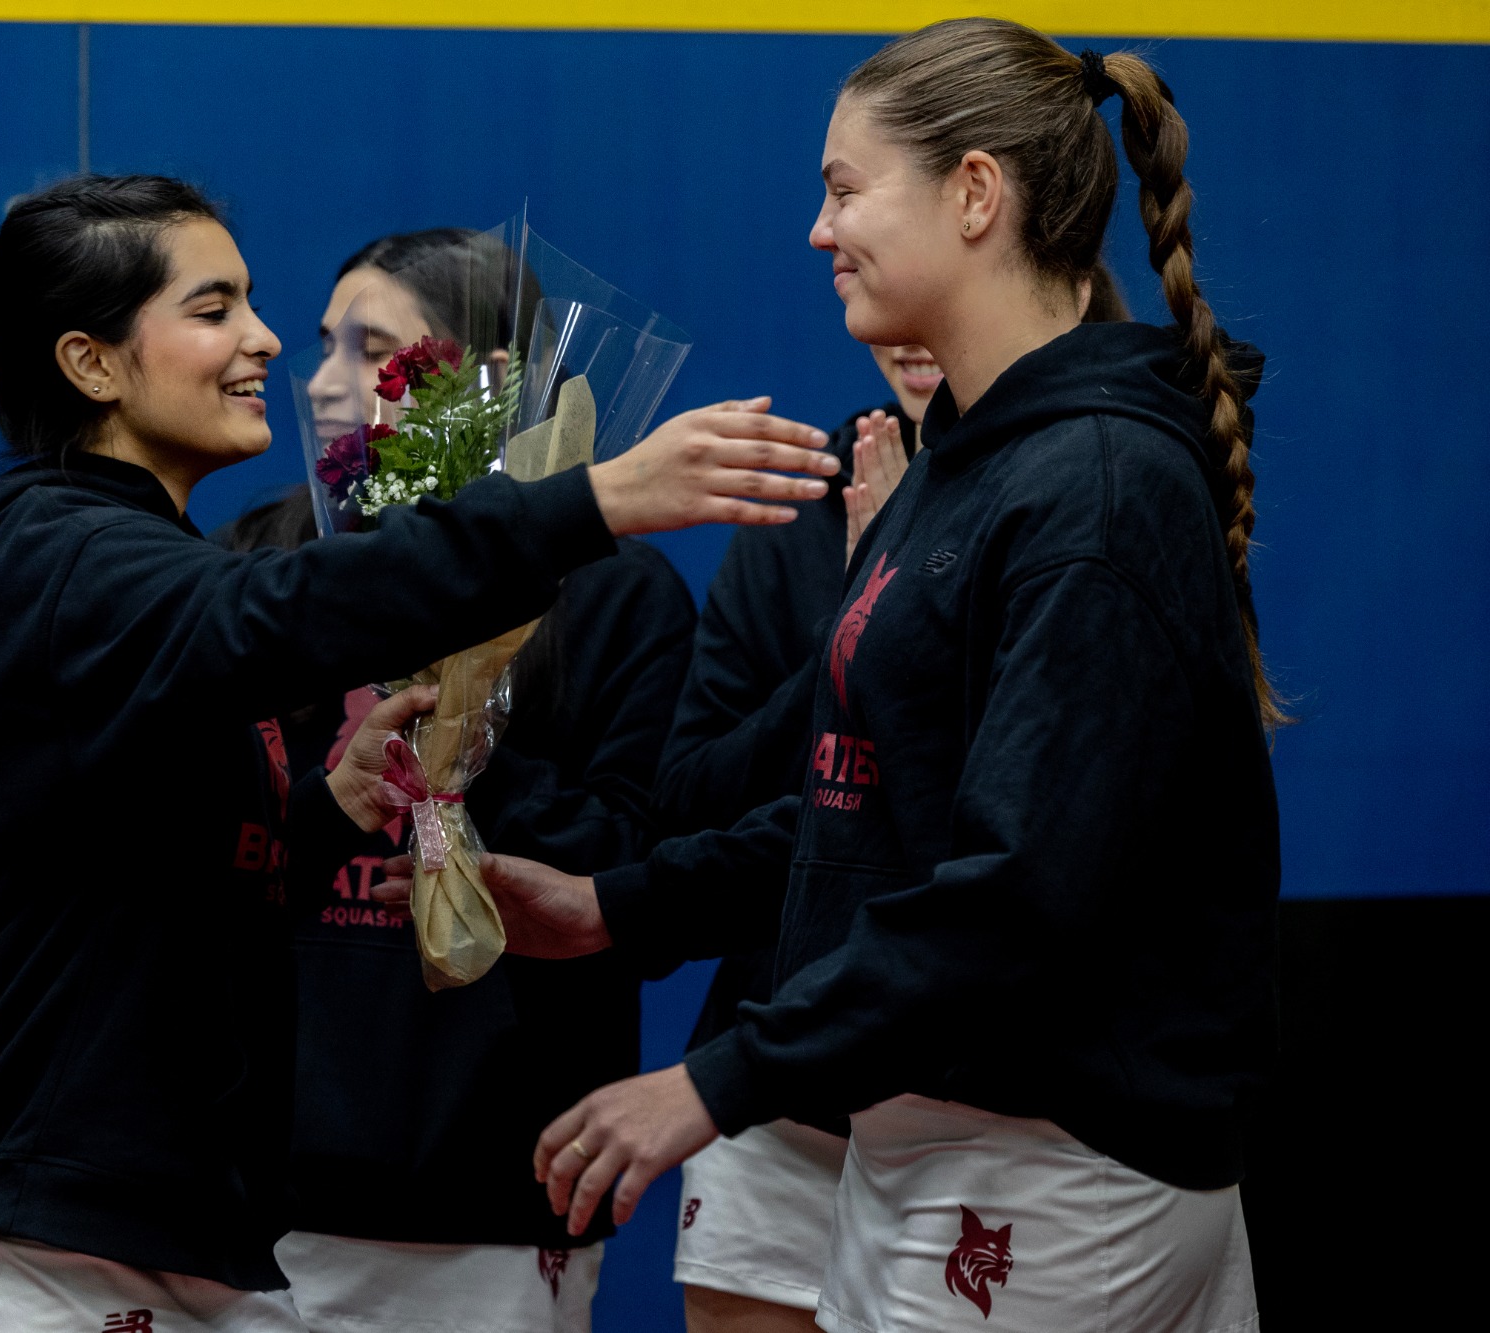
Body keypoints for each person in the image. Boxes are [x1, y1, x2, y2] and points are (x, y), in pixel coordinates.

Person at [0, 175, 839, 1332]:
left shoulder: (134, 555)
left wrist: (330, 812)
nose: (270, 342)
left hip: (169, 1237)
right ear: (91, 364)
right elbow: (272, 613)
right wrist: (584, 498)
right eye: (213, 307)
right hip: (33, 1249)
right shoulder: (56, 549)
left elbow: (163, 881)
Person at [395, 22, 1278, 1332]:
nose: (819, 229)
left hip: (1052, 1164)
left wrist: (712, 1081)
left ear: (976, 194)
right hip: (946, 1140)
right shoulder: (962, 466)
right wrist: (614, 907)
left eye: (845, 187)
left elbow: (1020, 893)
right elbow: (874, 811)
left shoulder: (1095, 486)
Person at [219, 228, 699, 1333]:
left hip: (494, 1190)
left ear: (489, 383)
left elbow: (643, 872)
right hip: (266, 1192)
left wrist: (468, 747)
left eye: (370, 347)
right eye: (324, 345)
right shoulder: (262, 565)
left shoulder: (615, 595)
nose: (326, 380)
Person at [657, 271, 1131, 1333]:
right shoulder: (799, 503)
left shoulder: (1098, 488)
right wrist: (851, 620)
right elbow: (689, 803)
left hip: (987, 1106)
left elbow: (1023, 836)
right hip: (782, 1087)